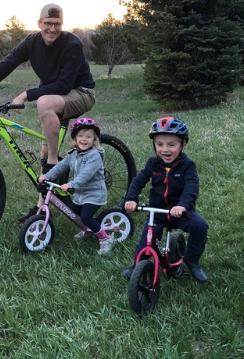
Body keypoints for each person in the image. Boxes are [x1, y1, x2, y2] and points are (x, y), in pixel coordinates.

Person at [0, 3, 96, 223]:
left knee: (43, 104)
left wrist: (26, 94)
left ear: (62, 25)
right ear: (39, 24)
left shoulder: (72, 43)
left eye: (57, 24)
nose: (52, 29)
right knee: (44, 147)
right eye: (47, 24)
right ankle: (41, 209)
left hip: (80, 92)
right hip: (54, 97)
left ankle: (53, 164)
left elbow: (64, 85)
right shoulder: (32, 42)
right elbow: (5, 65)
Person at [121, 117, 209, 282]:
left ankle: (191, 260)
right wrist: (131, 198)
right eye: (159, 144)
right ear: (154, 145)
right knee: (146, 243)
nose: (165, 150)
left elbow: (191, 187)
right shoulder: (153, 164)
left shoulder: (187, 166)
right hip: (158, 213)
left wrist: (183, 206)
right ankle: (138, 264)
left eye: (171, 144)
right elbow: (138, 181)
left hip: (181, 213)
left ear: (183, 145)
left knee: (201, 227)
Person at [38, 118, 114, 254]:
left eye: (88, 136)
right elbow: (60, 166)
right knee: (74, 213)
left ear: (94, 139)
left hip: (94, 193)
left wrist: (71, 184)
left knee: (85, 217)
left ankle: (104, 238)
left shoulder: (94, 156)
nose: (84, 139)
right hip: (80, 194)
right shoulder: (72, 154)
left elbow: (86, 175)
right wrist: (47, 176)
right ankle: (88, 229)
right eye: (80, 136)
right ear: (75, 138)